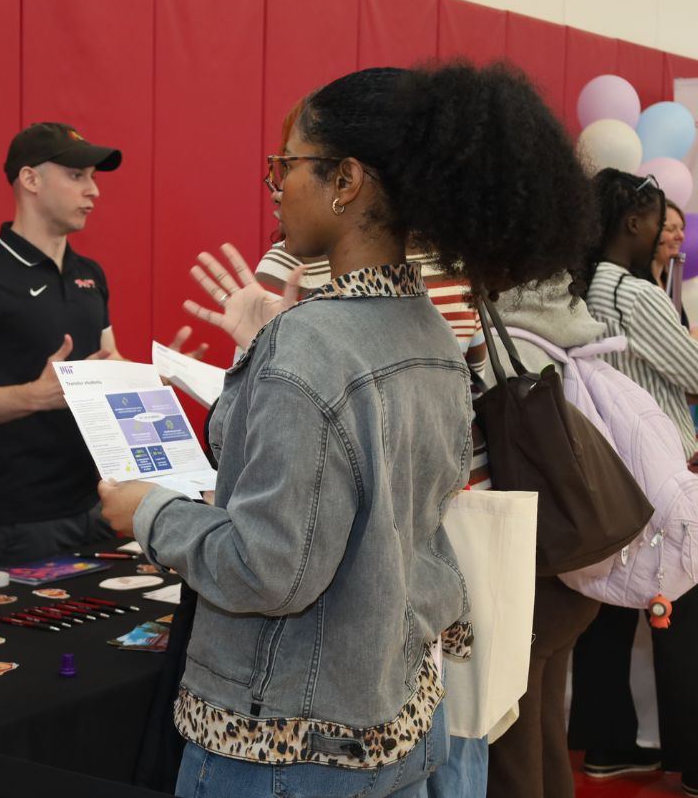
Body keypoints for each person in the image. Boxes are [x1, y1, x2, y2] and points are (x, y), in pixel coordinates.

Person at [99, 62, 593, 798]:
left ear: (346, 181)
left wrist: (148, 511)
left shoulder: (310, 346)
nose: (275, 186)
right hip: (398, 713)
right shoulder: (429, 333)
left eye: (286, 165)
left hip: (285, 744)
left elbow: (267, 567)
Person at [0, 122, 124, 568]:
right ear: (31, 179)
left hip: (96, 504)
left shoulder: (90, 274)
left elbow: (106, 360)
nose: (93, 190)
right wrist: (34, 396)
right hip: (17, 521)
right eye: (77, 176)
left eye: (93, 177)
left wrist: (155, 376)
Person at [569, 169, 698, 798]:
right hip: (661, 467)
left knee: (610, 610)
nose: (662, 231)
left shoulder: (585, 288)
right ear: (633, 222)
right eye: (655, 219)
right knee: (683, 609)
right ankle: (693, 758)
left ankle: (607, 743)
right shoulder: (633, 293)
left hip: (609, 471)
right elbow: (693, 371)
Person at [480, 273, 604, 798]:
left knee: (513, 753)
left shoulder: (494, 342)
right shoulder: (570, 325)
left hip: (526, 565)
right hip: (574, 556)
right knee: (547, 731)